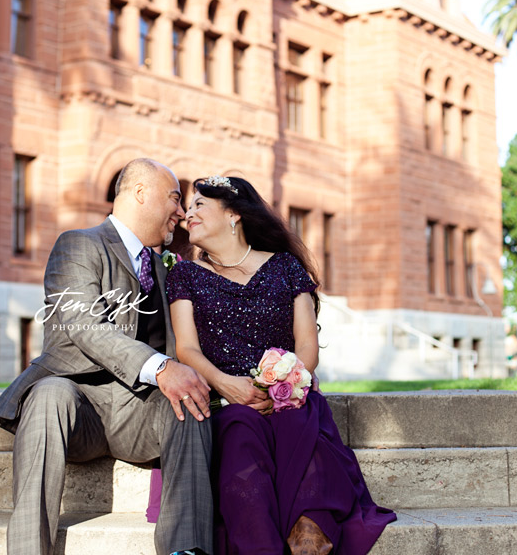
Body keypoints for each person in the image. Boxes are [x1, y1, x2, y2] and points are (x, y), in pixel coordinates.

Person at [0, 159, 214, 555]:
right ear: (141, 194)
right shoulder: (79, 244)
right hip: (78, 408)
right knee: (47, 395)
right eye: (175, 198)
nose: (181, 212)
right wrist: (160, 366)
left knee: (191, 399)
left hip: (141, 413)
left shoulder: (169, 266)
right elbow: (82, 322)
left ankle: (187, 549)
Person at [165, 175, 397, 555]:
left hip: (288, 397)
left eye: (199, 206)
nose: (188, 215)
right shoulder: (185, 275)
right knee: (240, 433)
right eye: (188, 208)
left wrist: (285, 386)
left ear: (233, 215)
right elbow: (187, 349)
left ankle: (309, 537)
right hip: (230, 401)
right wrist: (227, 385)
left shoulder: (285, 267)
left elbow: (306, 344)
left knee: (298, 423)